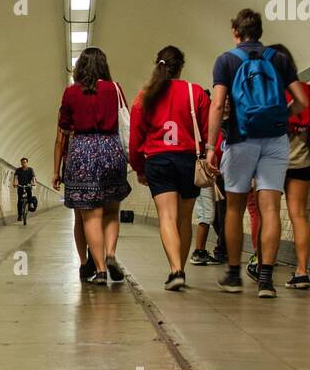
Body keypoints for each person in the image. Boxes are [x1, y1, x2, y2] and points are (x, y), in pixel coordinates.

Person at [204, 9, 309, 298]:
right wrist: (282, 119)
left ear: (235, 32)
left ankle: (234, 275)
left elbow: (217, 105)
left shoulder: (226, 61)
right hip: (275, 140)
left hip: (241, 139)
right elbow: (301, 101)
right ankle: (266, 280)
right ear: (260, 31)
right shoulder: (279, 59)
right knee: (270, 209)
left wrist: (212, 147)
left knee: (235, 209)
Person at [129, 46, 210, 290]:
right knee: (185, 218)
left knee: (167, 216)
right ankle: (180, 269)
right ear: (181, 66)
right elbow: (207, 130)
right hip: (187, 161)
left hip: (159, 161)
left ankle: (175, 269)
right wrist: (209, 154)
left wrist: (138, 167)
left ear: (158, 64)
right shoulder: (194, 91)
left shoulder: (145, 95)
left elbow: (135, 137)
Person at [53, 48, 131, 285]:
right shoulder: (114, 88)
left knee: (89, 216)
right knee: (110, 211)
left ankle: (99, 269)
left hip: (82, 152)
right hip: (111, 149)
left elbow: (63, 128)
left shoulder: (71, 93)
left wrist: (56, 170)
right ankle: (110, 254)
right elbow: (124, 119)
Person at [269, 44, 310, 289]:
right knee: (299, 215)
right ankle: (302, 272)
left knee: (269, 213)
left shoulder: (267, 92)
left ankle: (265, 268)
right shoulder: (308, 93)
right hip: (301, 160)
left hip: (270, 160)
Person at [190, 89, 219, 265]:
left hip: (192, 165)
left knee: (203, 210)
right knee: (206, 212)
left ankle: (198, 250)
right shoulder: (204, 123)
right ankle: (199, 250)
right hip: (201, 168)